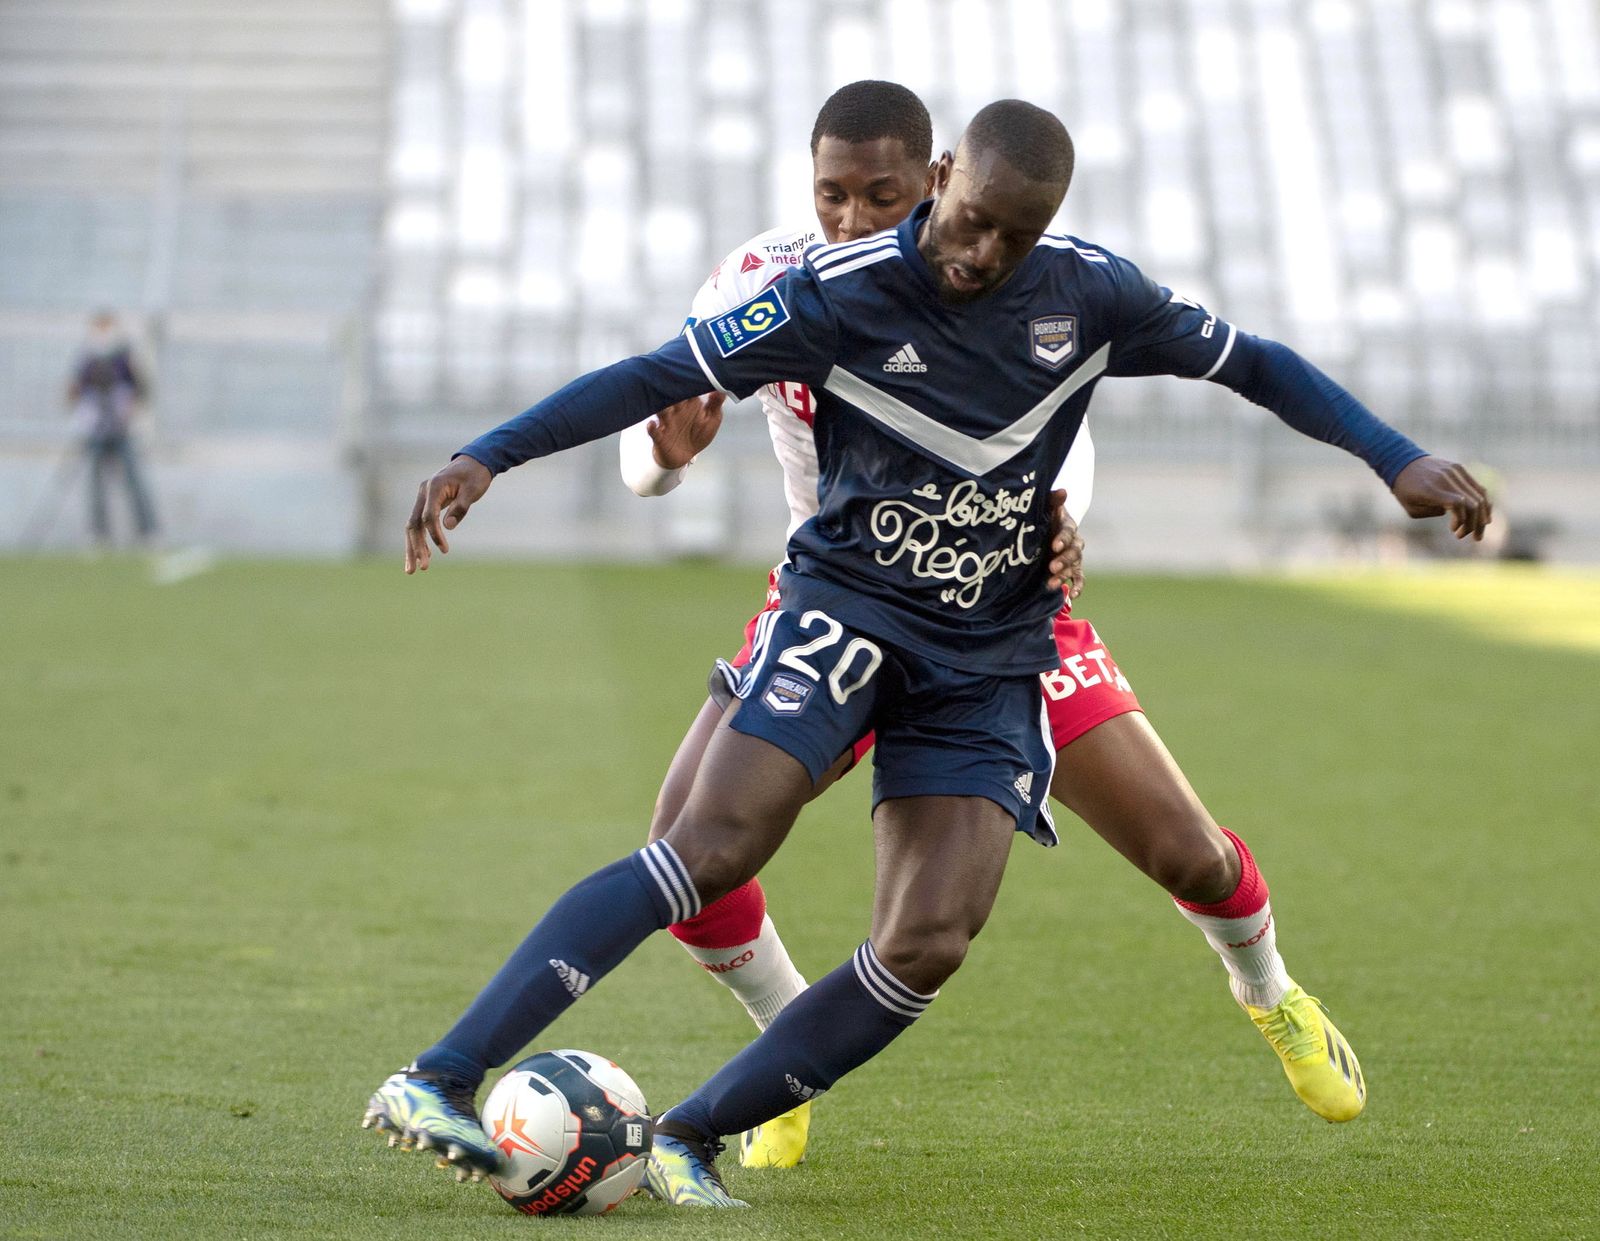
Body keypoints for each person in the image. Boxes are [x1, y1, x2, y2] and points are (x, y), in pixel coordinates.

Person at [367, 99, 1491, 1209]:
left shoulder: (1088, 293)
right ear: (946, 179)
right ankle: (442, 1075)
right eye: (971, 220)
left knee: (942, 935)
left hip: (1000, 639)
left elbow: (1252, 364)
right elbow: (649, 378)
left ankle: (691, 1134)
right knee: (703, 848)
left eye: (1014, 234)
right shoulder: (821, 291)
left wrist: (1393, 456)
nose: (983, 251)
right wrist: (487, 455)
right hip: (847, 611)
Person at [67, 311, 159, 546]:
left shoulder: (123, 358)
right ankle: (99, 533)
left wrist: (129, 410)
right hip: (96, 430)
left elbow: (141, 388)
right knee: (95, 483)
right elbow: (74, 391)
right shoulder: (86, 359)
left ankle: (148, 531)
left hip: (121, 429)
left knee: (134, 480)